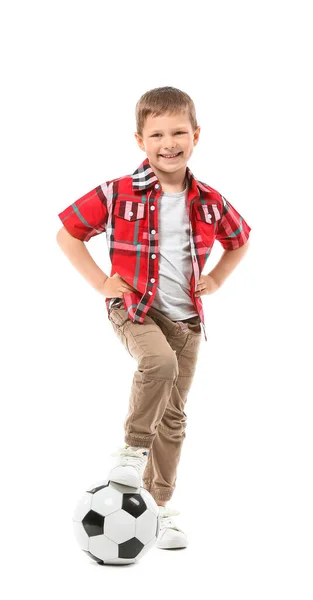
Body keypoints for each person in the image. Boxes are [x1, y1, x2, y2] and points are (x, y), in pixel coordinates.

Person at [56, 86, 252, 549]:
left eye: (179, 132)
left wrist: (219, 278)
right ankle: (131, 450)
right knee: (157, 364)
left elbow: (240, 239)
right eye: (157, 134)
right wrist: (104, 283)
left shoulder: (208, 200)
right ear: (140, 140)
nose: (169, 143)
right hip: (136, 310)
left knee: (175, 417)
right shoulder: (119, 191)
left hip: (187, 322)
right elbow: (68, 234)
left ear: (196, 135)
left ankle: (159, 508)